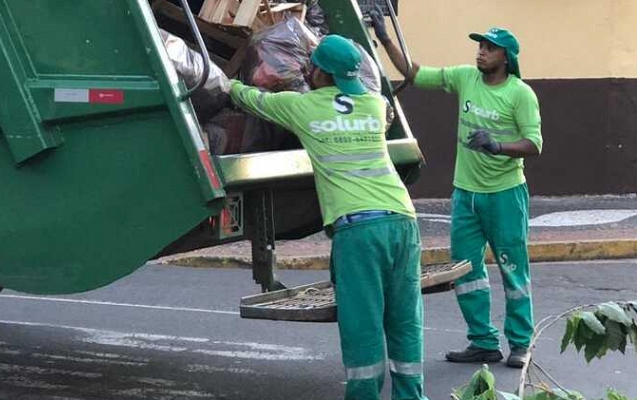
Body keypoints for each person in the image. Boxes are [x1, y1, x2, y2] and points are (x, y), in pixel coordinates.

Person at [227, 35, 427, 400]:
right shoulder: (374, 105)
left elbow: (248, 98)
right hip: (403, 221)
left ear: (317, 71)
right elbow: (381, 108)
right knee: (404, 321)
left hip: (359, 230)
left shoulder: (301, 107)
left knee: (362, 326)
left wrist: (222, 81)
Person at [369, 11, 543, 368]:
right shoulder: (466, 78)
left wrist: (497, 145)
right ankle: (483, 341)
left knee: (513, 271)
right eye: (480, 46)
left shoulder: (520, 94)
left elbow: (534, 144)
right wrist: (386, 38)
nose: (480, 52)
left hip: (506, 195)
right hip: (466, 195)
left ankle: (521, 344)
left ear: (506, 57)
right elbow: (415, 74)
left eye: (489, 48)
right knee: (466, 270)